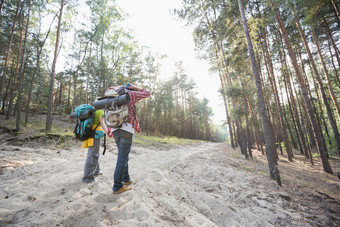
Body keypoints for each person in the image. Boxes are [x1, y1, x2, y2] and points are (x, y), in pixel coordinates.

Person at [101, 83, 150, 194]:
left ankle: (126, 179)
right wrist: (135, 87)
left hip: (114, 129)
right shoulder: (130, 94)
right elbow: (147, 93)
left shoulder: (110, 98)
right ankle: (117, 187)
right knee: (122, 158)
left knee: (123, 156)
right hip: (126, 129)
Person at [82, 109, 105, 183]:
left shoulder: (93, 111)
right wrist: (108, 132)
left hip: (91, 133)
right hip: (96, 134)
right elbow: (102, 123)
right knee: (92, 154)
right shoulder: (100, 111)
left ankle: (96, 171)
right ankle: (87, 177)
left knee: (95, 152)